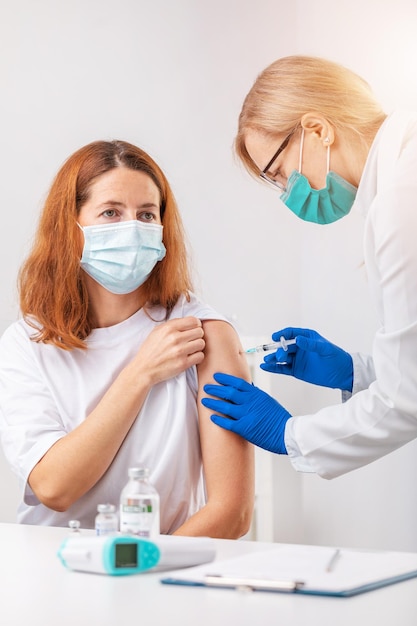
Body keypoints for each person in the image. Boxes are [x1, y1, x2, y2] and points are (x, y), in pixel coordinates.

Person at [0, 140, 254, 535]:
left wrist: (141, 568)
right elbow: (54, 487)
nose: (132, 228)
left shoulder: (202, 335)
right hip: (50, 571)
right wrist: (141, 373)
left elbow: (231, 513)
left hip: (160, 576)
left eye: (147, 214)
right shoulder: (27, 343)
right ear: (71, 227)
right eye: (111, 212)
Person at [201, 55, 417, 479]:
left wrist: (288, 434)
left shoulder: (399, 201)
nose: (287, 193)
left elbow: (406, 399)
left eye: (280, 174)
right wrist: (355, 372)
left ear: (318, 129)